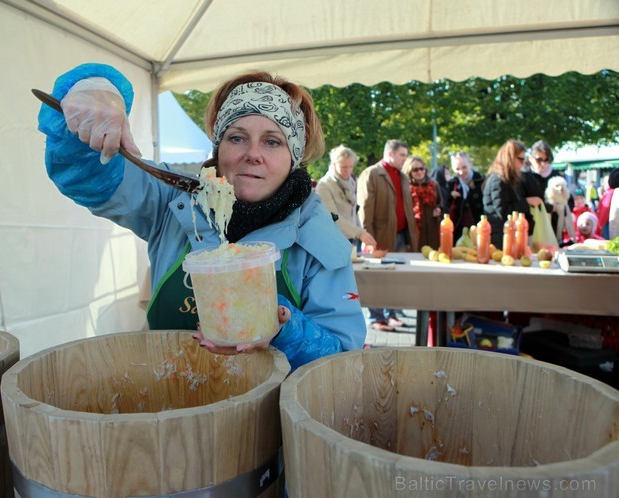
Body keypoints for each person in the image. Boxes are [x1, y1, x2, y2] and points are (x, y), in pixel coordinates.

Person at [37, 63, 365, 370]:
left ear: (293, 158)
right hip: (172, 405)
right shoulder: (170, 199)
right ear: (218, 148)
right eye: (237, 137)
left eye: (272, 141)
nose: (253, 154)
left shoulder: (317, 235)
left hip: (266, 422)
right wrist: (95, 88)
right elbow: (86, 175)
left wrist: (286, 328)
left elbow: (342, 360)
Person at [357, 140, 418, 331]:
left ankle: (391, 314)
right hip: (379, 236)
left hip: (400, 234)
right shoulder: (372, 174)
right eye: (402, 155)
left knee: (396, 278)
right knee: (378, 278)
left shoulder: (402, 176)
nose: (405, 159)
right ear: (390, 154)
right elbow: (365, 209)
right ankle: (375, 318)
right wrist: (367, 237)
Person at [315, 145, 375, 250]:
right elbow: (332, 217)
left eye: (351, 166)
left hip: (353, 240)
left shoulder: (351, 182)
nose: (348, 170)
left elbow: (354, 212)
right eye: (344, 167)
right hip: (334, 241)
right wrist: (359, 233)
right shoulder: (324, 185)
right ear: (334, 165)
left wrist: (362, 234)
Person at [520, 140, 572, 243]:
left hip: (554, 227)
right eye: (539, 160)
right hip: (532, 227)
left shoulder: (556, 176)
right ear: (531, 158)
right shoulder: (523, 176)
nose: (543, 164)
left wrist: (561, 207)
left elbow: (569, 201)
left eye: (546, 160)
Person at [482, 140, 530, 248]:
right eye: (520, 159)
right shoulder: (498, 180)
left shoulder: (508, 179)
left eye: (524, 159)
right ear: (510, 158)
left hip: (506, 237)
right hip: (500, 240)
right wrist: (526, 203)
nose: (523, 163)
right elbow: (502, 212)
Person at [402, 155, 442, 250]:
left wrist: (439, 209)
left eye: (421, 168)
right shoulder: (406, 187)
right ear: (409, 171)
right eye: (415, 169)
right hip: (414, 230)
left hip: (433, 228)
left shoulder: (434, 185)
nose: (419, 172)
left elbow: (441, 203)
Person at [447, 152, 485, 242]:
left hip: (479, 227)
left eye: (464, 167)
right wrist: (450, 196)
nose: (461, 172)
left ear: (470, 165)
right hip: (458, 229)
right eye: (457, 169)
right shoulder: (452, 183)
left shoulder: (482, 180)